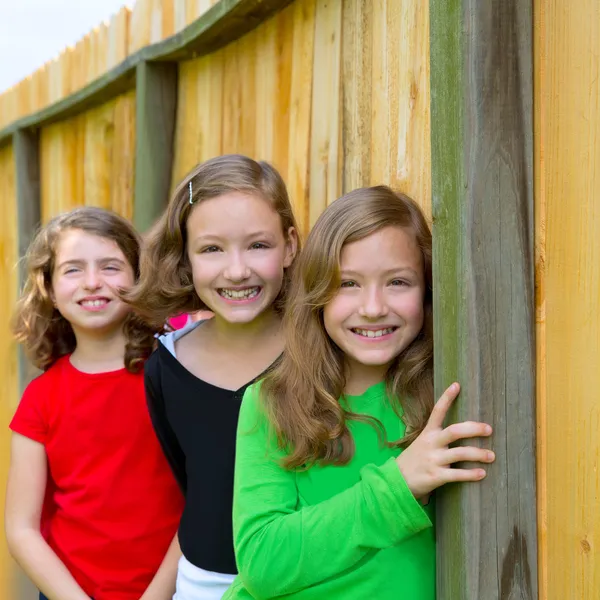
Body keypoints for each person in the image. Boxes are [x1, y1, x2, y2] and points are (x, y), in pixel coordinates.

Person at [225, 186, 495, 600]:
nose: (372, 307)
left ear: (427, 292)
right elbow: (261, 562)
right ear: (317, 293)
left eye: (398, 282)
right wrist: (398, 488)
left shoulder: (446, 398)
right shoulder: (272, 401)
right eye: (348, 283)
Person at [125, 154, 300, 600]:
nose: (236, 270)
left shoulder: (320, 353)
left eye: (258, 245)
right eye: (211, 248)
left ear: (291, 246)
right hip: (203, 585)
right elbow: (196, 493)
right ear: (185, 256)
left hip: (309, 578)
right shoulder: (167, 367)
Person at [5, 207, 184, 600]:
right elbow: (21, 528)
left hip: (173, 590)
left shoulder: (175, 377)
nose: (92, 282)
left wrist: (157, 596)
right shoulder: (40, 398)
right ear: (49, 289)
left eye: (110, 266)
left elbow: (204, 501)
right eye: (72, 270)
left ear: (139, 277)